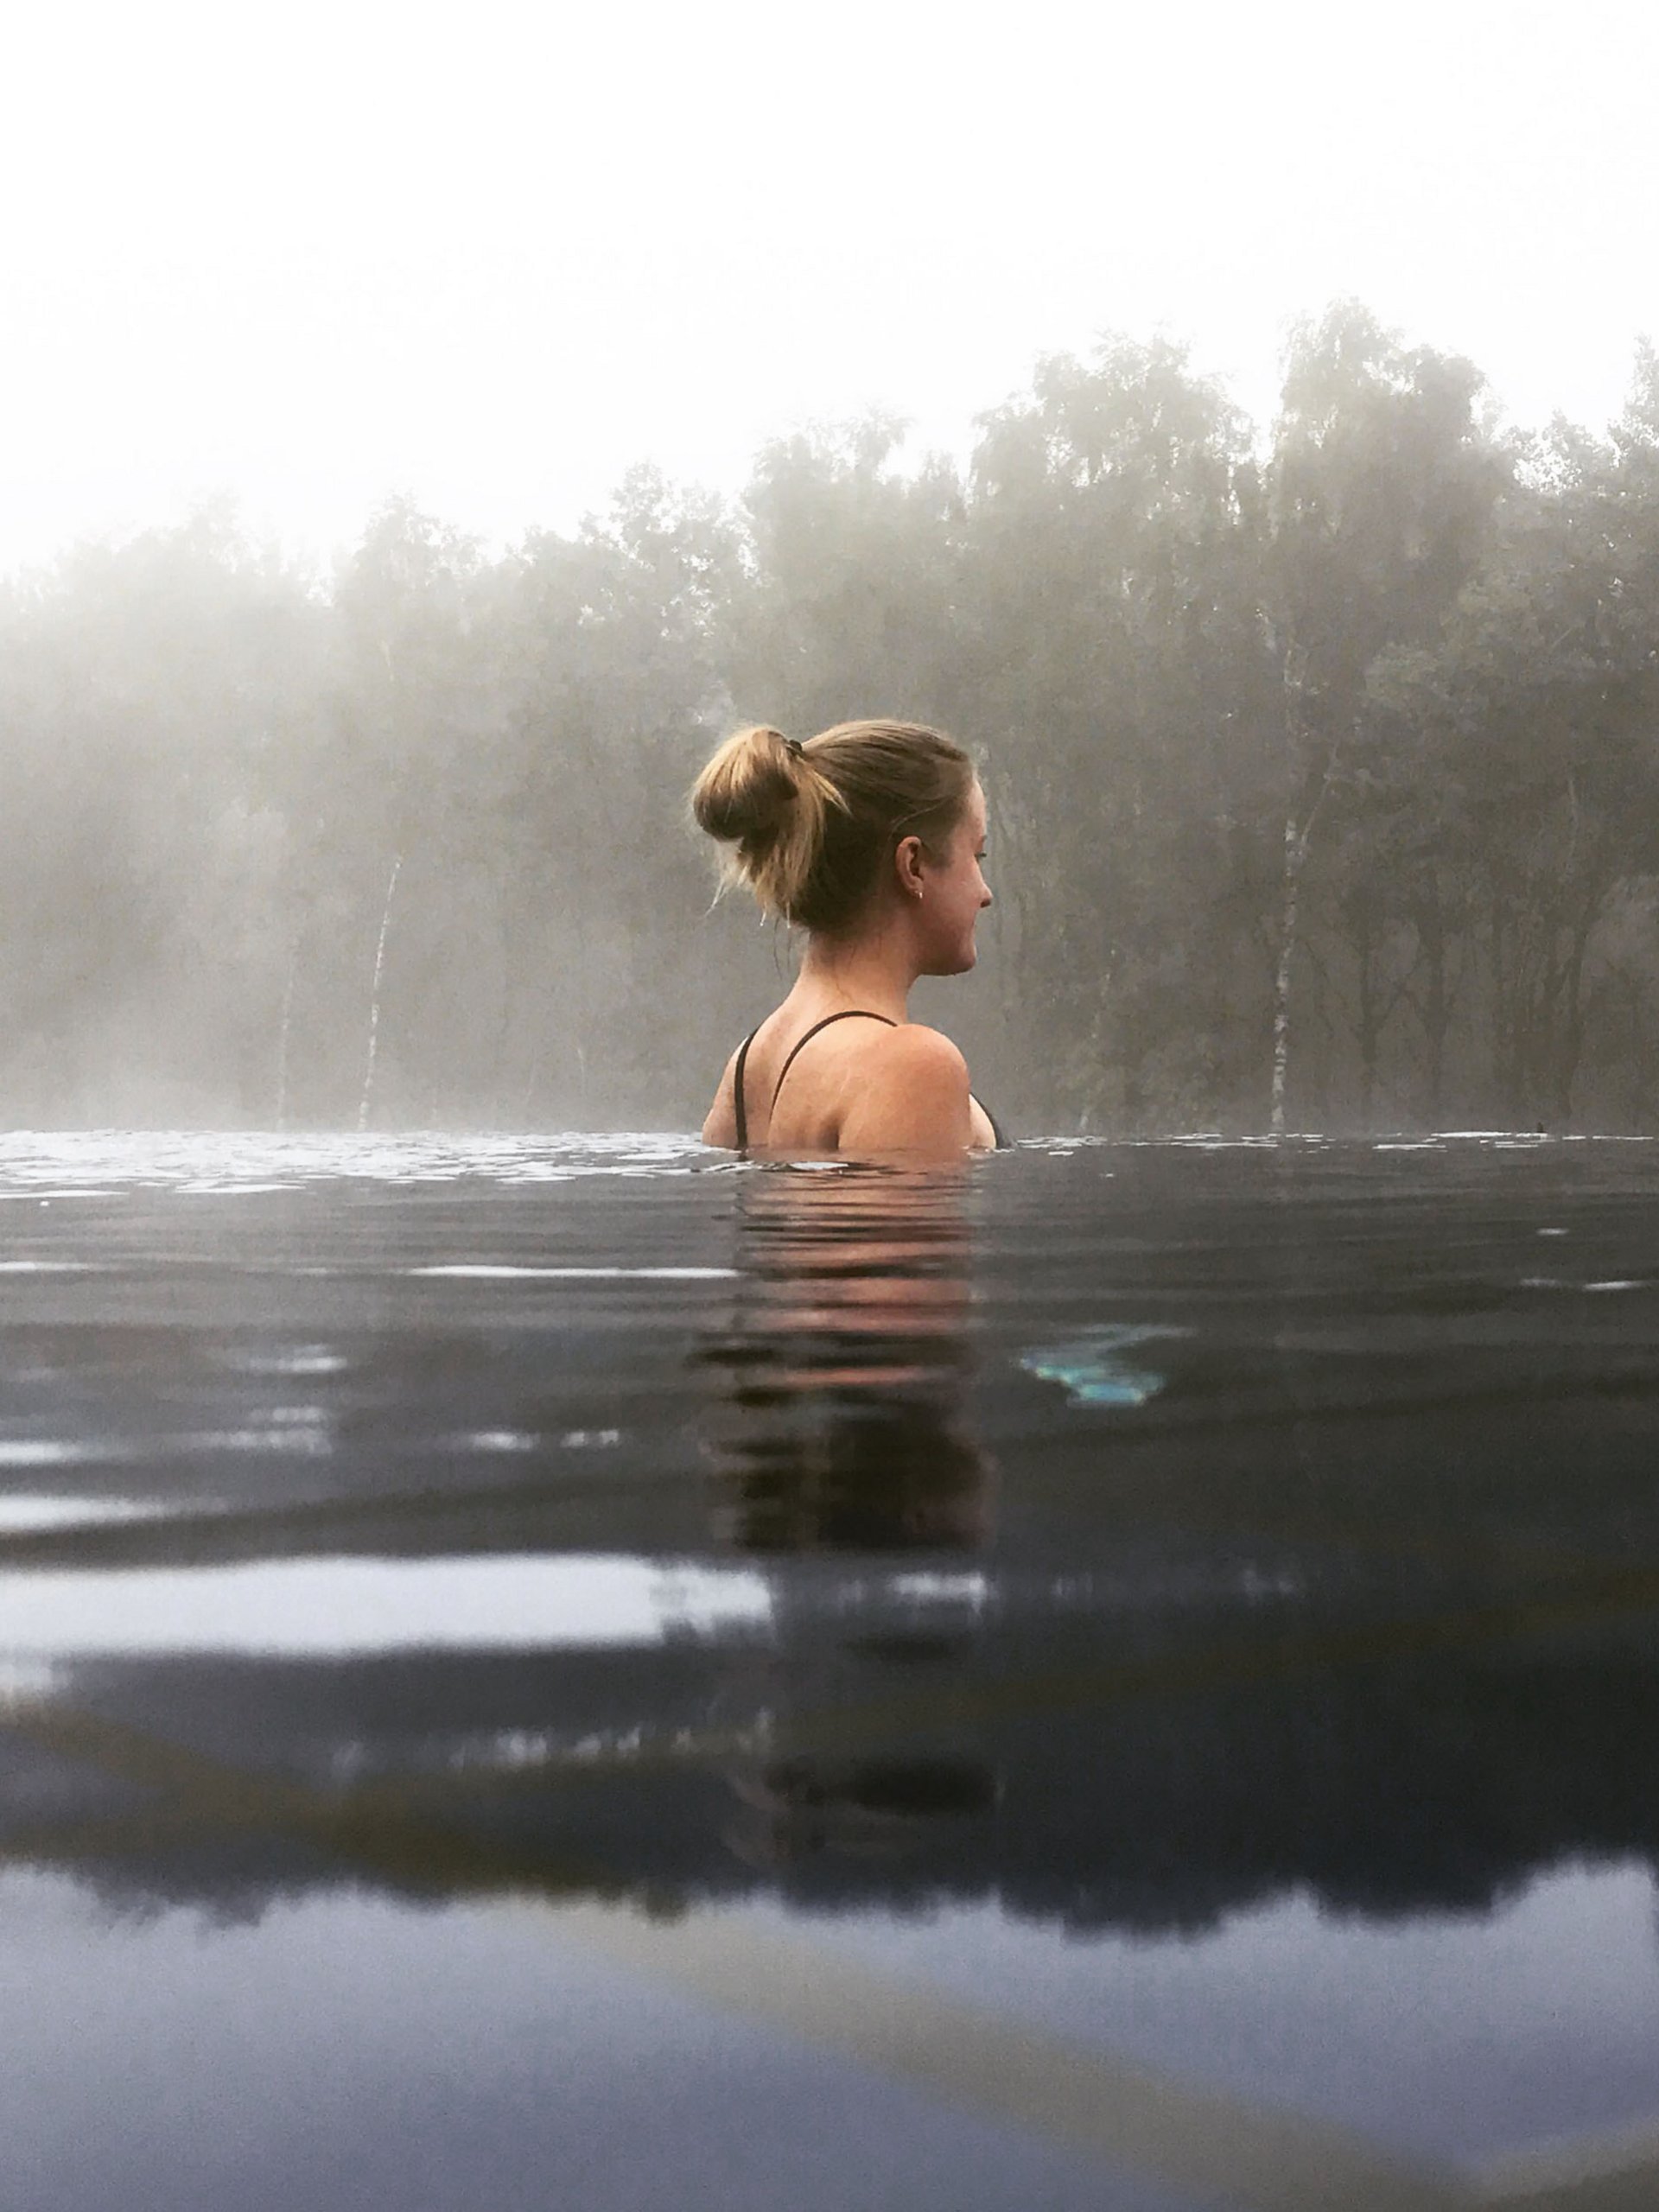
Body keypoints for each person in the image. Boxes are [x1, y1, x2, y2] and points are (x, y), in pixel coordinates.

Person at [691, 719, 1001, 1154]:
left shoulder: (747, 1068)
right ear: (912, 864)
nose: (985, 893)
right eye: (977, 854)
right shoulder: (910, 1066)